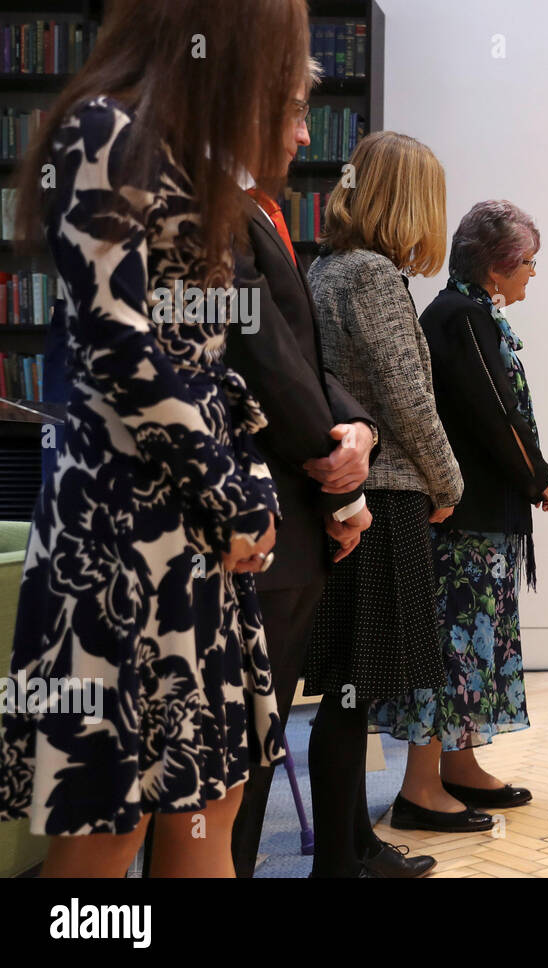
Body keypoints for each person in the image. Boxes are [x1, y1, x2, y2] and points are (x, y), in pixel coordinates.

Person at [0, 0, 307, 877]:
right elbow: (116, 340)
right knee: (108, 820)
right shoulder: (105, 129)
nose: (285, 81)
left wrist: (245, 481)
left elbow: (206, 356)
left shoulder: (179, 150)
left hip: (192, 534)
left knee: (213, 795)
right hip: (116, 531)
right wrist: (235, 492)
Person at [223, 61, 433, 879]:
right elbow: (269, 363)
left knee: (262, 743)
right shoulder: (218, 212)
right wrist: (343, 458)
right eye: (296, 113)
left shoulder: (284, 232)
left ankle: (341, 854)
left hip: (294, 511)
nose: (308, 135)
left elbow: (305, 360)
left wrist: (357, 429)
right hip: (260, 516)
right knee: (242, 757)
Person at [304, 131, 464, 876]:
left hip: (355, 497)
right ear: (409, 202)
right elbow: (407, 399)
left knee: (349, 689)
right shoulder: (370, 274)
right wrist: (449, 481)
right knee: (349, 691)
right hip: (385, 496)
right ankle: (340, 859)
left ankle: (352, 844)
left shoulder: (329, 266)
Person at [391, 200, 548, 829]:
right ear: (497, 267)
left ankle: (458, 768)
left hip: (477, 517)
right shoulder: (461, 317)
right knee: (453, 648)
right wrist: (539, 477)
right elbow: (496, 417)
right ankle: (418, 789)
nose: (533, 275)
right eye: (528, 263)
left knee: (473, 647)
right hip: (463, 521)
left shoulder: (469, 311)